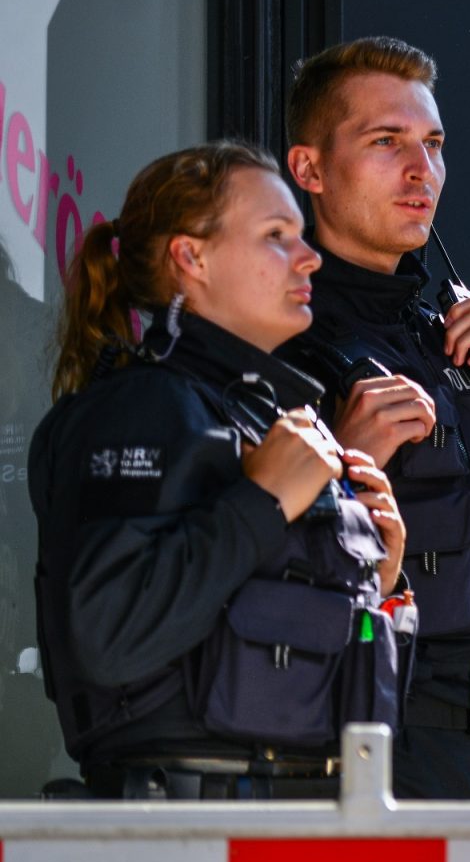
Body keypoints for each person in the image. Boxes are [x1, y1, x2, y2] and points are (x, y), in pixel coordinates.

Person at [29, 141, 407, 800]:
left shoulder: (257, 413)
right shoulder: (141, 406)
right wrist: (263, 501)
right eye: (276, 236)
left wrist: (380, 576)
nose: (309, 256)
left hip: (300, 815)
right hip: (185, 826)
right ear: (191, 258)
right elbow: (108, 636)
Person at [279, 37, 470, 800]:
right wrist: (338, 464)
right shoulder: (281, 341)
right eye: (387, 142)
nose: (422, 170)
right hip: (363, 758)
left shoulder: (459, 340)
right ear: (309, 169)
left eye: (434, 144)